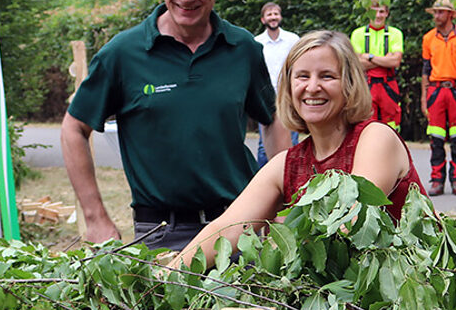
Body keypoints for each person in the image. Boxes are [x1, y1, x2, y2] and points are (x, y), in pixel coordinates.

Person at [62, 0, 283, 251]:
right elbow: (73, 128)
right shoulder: (123, 54)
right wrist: (95, 218)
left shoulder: (243, 48)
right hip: (162, 235)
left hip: (238, 226)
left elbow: (273, 119)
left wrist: (278, 200)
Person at [179, 31, 423, 266]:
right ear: (288, 85)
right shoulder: (287, 164)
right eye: (302, 76)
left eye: (327, 76)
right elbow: (229, 227)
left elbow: (350, 222)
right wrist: (169, 273)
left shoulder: (375, 138)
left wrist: (279, 244)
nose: (313, 87)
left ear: (349, 83)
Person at [420, 0, 456, 195]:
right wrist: (424, 97)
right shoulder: (428, 38)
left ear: (450, 14)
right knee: (436, 137)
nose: (436, 16)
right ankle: (437, 180)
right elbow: (426, 69)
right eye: (435, 12)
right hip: (435, 90)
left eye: (440, 12)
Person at [349, 0, 405, 130]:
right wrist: (385, 60)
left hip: (388, 85)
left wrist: (369, 57)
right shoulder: (358, 34)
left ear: (386, 13)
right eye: (374, 11)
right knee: (365, 123)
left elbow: (395, 61)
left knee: (392, 124)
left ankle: (392, 149)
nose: (378, 16)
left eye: (381, 11)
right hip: (366, 85)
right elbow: (356, 64)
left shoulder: (395, 33)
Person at [255, 1, 299, 165]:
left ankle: (291, 180)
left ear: (280, 17)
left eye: (275, 14)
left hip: (288, 95)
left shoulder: (292, 40)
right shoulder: (256, 43)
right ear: (263, 19)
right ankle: (263, 180)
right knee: (263, 144)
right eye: (269, 15)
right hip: (265, 97)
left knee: (291, 141)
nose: (273, 18)